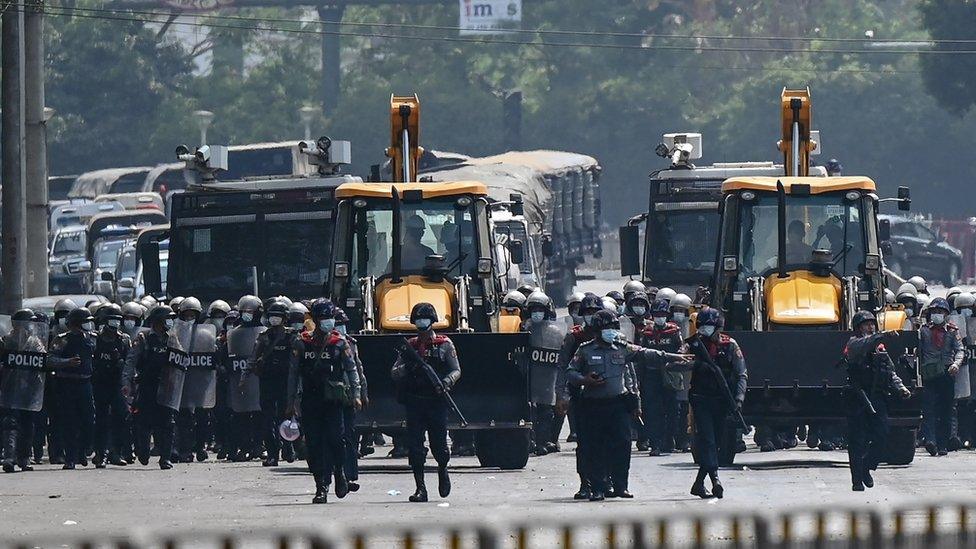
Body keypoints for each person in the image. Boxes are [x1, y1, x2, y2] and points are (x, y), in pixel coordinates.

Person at [567, 309, 689, 501]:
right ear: (598, 330)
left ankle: (621, 486)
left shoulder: (622, 348)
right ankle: (598, 488)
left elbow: (648, 354)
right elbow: (570, 373)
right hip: (593, 406)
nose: (611, 332)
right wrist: (584, 379)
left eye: (613, 328)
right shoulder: (585, 350)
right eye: (607, 328)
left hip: (618, 405)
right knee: (596, 448)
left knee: (622, 446)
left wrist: (673, 357)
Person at [667, 308, 746, 499]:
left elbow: (741, 373)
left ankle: (699, 482)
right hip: (701, 399)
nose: (707, 330)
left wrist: (739, 398)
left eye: (711, 327)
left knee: (718, 441)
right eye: (704, 326)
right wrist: (696, 364)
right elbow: (673, 363)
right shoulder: (693, 344)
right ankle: (716, 479)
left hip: (723, 400)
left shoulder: (730, 345)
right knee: (708, 440)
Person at [288, 298, 360, 504]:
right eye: (323, 318)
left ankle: (340, 473)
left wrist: (356, 394)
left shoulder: (339, 343)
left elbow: (351, 370)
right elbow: (293, 376)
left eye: (330, 318)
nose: (327, 322)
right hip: (310, 401)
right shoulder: (302, 343)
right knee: (314, 444)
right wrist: (290, 403)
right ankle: (321, 486)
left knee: (337, 440)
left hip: (334, 401)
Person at [392, 302, 460, 503]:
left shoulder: (444, 344)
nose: (422, 323)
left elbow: (456, 369)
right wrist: (408, 366)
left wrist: (446, 382)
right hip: (414, 402)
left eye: (426, 319)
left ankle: (442, 468)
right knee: (415, 447)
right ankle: (420, 487)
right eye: (419, 319)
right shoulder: (410, 346)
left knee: (439, 444)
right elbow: (394, 372)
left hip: (436, 401)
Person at [842, 311, 912, 491]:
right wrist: (882, 335)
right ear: (858, 328)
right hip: (858, 399)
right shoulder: (854, 343)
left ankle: (867, 467)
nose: (870, 327)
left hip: (877, 398)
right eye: (866, 324)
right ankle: (857, 480)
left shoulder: (880, 349)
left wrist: (901, 388)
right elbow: (864, 344)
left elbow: (890, 372)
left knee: (882, 435)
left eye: (872, 324)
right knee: (857, 441)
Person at [557, 293, 603, 499]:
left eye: (595, 312)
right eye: (587, 313)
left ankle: (605, 481)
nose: (591, 316)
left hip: (607, 397)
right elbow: (563, 369)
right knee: (584, 444)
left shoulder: (611, 334)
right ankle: (585, 483)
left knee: (607, 442)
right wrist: (561, 396)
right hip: (581, 397)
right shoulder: (574, 337)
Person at [123, 304, 178, 470]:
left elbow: (180, 359)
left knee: (168, 423)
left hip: (167, 385)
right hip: (147, 385)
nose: (169, 322)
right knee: (144, 422)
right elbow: (131, 361)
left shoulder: (172, 338)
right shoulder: (143, 338)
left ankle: (165, 458)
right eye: (166, 319)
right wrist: (126, 383)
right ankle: (143, 451)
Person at [1, 310, 55, 472]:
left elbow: (45, 360)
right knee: (10, 423)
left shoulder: (34, 342)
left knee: (27, 425)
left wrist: (64, 363)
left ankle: (24, 458)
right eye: (27, 322)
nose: (30, 326)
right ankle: (9, 457)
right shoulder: (6, 342)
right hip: (9, 388)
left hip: (30, 390)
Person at [48, 307, 99, 469]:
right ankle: (70, 457)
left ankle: (82, 450)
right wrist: (66, 362)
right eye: (85, 322)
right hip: (67, 384)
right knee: (69, 421)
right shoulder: (62, 339)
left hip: (86, 384)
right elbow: (49, 359)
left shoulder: (92, 338)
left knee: (89, 420)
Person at [252, 301, 297, 467]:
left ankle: (288, 447)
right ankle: (272, 454)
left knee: (286, 417)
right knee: (267, 419)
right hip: (267, 381)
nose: (274, 319)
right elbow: (253, 356)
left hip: (286, 382)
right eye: (272, 316)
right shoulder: (264, 336)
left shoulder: (292, 337)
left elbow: (297, 360)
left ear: (285, 318)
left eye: (278, 316)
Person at [919, 298, 964, 456]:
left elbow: (960, 350)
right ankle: (931, 440)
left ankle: (943, 443)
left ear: (946, 314)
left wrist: (956, 364)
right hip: (929, 372)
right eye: (934, 312)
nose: (937, 315)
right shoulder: (923, 330)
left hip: (947, 372)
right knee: (929, 407)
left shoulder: (952, 331)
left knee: (946, 408)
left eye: (940, 312)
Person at [176, 297, 218, 463]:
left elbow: (214, 356)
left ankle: (200, 447)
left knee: (202, 418)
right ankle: (185, 450)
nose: (189, 318)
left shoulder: (207, 333)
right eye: (186, 314)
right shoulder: (176, 333)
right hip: (183, 383)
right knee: (184, 418)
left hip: (201, 383)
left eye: (192, 314)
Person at [639, 299, 683, 456]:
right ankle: (655, 443)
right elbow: (640, 353)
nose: (660, 317)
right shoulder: (646, 333)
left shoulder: (674, 331)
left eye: (662, 315)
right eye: (657, 315)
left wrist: (676, 358)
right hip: (652, 375)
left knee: (673, 409)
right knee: (652, 411)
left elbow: (681, 348)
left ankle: (669, 440)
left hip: (670, 374)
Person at [523, 290, 563, 455]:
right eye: (533, 310)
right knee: (528, 412)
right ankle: (529, 441)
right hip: (528, 378)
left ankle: (543, 441)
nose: (537, 313)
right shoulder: (523, 329)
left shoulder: (556, 332)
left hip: (548, 380)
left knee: (546, 413)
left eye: (540, 310)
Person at [91, 304, 131, 468]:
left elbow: (129, 362)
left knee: (121, 416)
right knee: (100, 419)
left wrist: (120, 362)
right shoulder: (94, 339)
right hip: (99, 384)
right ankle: (100, 453)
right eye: (111, 321)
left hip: (116, 384)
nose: (114, 325)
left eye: (117, 321)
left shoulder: (124, 340)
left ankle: (116, 452)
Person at [335, 307, 366, 491]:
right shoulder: (323, 344)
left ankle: (350, 476)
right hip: (328, 398)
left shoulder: (351, 344)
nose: (340, 328)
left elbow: (358, 370)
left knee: (349, 437)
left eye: (342, 324)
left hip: (347, 397)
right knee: (333, 438)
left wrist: (361, 393)